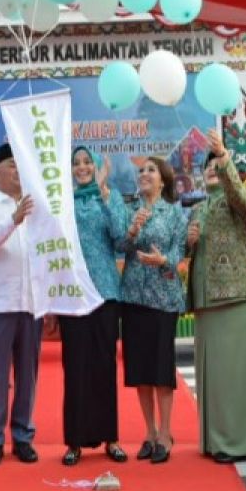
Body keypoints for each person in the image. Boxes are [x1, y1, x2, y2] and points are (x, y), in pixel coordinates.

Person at [186, 129, 246, 464]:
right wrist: (189, 244)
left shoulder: (236, 203)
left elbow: (244, 199)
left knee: (236, 375)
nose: (210, 168)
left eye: (214, 164)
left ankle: (238, 443)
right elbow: (191, 251)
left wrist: (224, 158)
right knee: (215, 377)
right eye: (207, 165)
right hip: (207, 301)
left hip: (235, 297)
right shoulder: (198, 208)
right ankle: (215, 440)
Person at [0, 144, 42, 467]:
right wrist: (14, 219)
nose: (18, 171)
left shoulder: (36, 206)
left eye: (21, 165)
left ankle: (23, 436)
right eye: (12, 165)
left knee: (28, 374)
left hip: (30, 303)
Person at [60, 147, 128, 466]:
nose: (82, 167)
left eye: (88, 162)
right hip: (73, 294)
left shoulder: (109, 196)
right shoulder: (63, 201)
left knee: (104, 367)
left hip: (104, 293)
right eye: (77, 163)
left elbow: (120, 239)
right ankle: (74, 441)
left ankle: (110, 439)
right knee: (75, 368)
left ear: (98, 166)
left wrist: (103, 192)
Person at [120, 156, 187, 464]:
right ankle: (148, 431)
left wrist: (164, 262)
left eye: (151, 170)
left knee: (161, 368)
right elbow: (119, 246)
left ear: (163, 180)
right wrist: (131, 233)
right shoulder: (130, 209)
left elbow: (179, 250)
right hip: (134, 297)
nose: (144, 174)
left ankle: (166, 433)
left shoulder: (174, 213)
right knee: (141, 369)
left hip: (163, 298)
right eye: (141, 171)